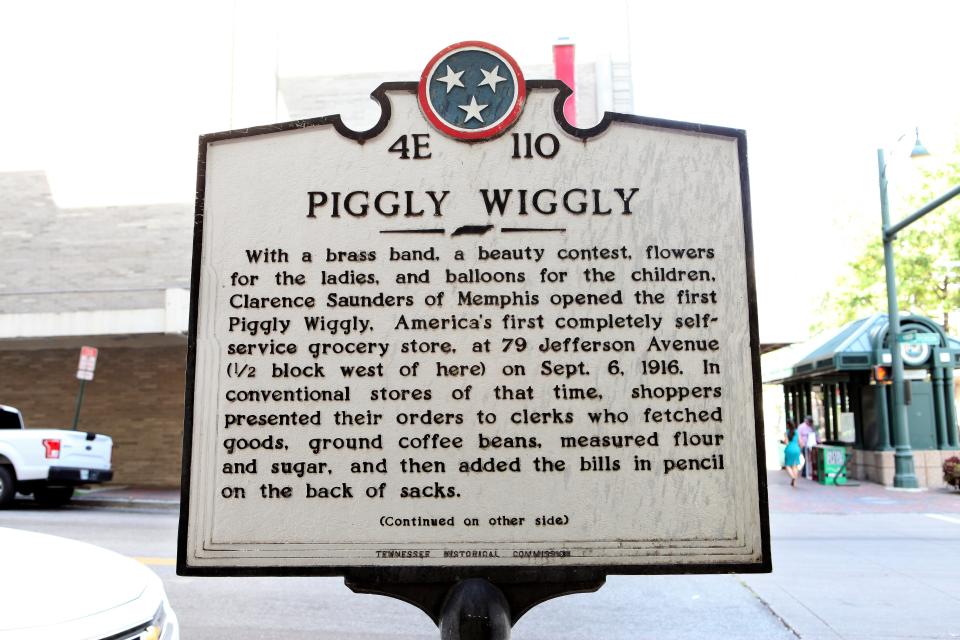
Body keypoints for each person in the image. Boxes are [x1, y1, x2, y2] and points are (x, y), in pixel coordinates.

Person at [782, 420, 802, 487]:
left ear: (788, 425)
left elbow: (786, 443)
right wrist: (800, 449)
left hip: (789, 449)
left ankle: (793, 477)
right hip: (796, 449)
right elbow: (800, 442)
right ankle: (794, 481)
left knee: (787, 465)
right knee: (795, 465)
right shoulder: (797, 432)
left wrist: (783, 441)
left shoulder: (786, 432)